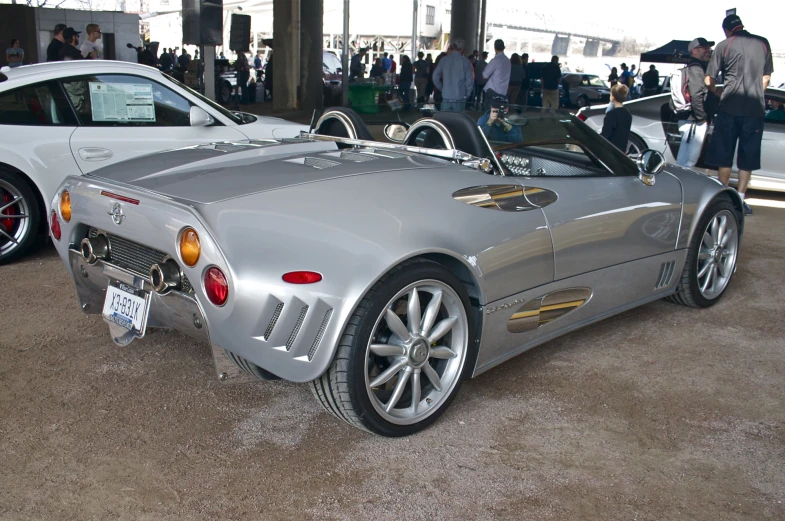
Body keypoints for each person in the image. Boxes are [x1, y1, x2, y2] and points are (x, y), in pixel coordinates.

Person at [705, 14, 773, 215]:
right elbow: (767, 76)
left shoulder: (724, 45)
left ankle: (724, 197)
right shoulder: (763, 44)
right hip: (754, 110)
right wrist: (756, 93)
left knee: (724, 155)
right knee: (748, 155)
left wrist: (718, 92)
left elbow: (709, 79)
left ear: (726, 30)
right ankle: (741, 199)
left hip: (729, 107)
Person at [676, 38, 717, 168]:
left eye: (708, 48)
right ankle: (684, 186)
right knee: (689, 160)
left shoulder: (695, 67)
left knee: (684, 159)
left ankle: (680, 184)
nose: (708, 50)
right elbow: (696, 95)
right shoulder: (696, 68)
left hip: (691, 120)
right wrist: (702, 118)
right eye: (703, 48)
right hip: (694, 121)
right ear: (693, 51)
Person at [432, 38, 474, 112]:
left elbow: (435, 76)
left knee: (445, 122)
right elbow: (469, 80)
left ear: (453, 47)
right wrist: (468, 93)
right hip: (459, 97)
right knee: (458, 121)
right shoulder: (466, 62)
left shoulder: (444, 60)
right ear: (462, 49)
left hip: (446, 96)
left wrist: (442, 88)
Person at [601, 83, 632, 152]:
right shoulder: (627, 113)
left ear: (612, 97)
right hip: (621, 150)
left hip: (610, 150)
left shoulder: (611, 114)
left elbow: (605, 134)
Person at [482, 39, 511, 110]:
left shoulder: (495, 60)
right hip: (503, 91)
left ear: (494, 48)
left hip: (493, 91)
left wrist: (491, 75)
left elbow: (484, 75)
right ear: (504, 48)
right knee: (499, 115)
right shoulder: (508, 61)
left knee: (489, 115)